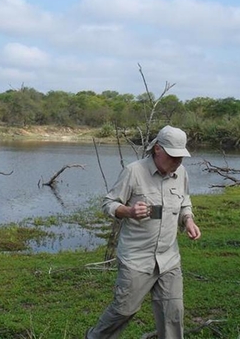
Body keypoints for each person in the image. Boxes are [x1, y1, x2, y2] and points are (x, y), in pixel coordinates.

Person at [86, 125, 201, 339]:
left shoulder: (181, 172)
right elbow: (108, 203)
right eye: (173, 156)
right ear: (158, 149)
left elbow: (185, 200)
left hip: (169, 258)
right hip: (137, 259)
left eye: (181, 157)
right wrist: (128, 211)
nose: (178, 162)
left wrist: (188, 220)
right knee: (124, 310)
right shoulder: (134, 172)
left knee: (173, 314)